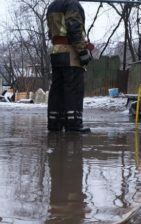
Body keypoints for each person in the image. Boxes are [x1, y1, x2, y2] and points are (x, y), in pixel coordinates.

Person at [46, 0, 93, 133]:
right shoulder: (72, 5)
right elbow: (74, 29)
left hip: (56, 52)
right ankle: (74, 125)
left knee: (57, 89)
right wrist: (82, 51)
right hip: (71, 54)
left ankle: (54, 123)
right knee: (73, 88)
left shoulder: (52, 6)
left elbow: (51, 33)